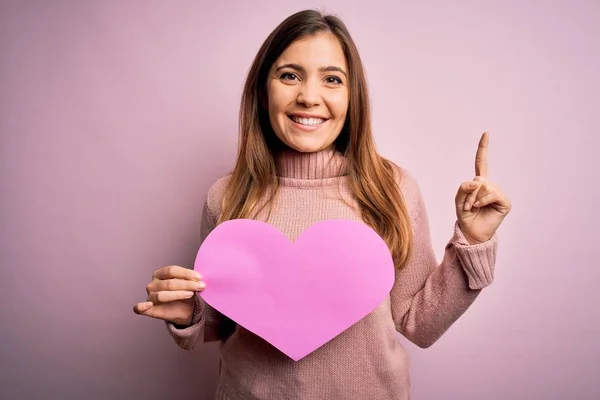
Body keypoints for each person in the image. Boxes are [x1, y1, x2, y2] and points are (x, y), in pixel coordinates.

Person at [133, 9, 511, 400]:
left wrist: (472, 241)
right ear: (264, 92)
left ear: (353, 98)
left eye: (332, 79)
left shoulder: (391, 189)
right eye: (290, 75)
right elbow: (222, 321)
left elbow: (420, 324)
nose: (309, 97)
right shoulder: (227, 196)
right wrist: (188, 316)